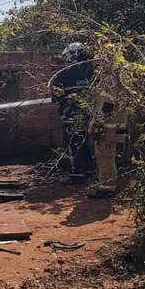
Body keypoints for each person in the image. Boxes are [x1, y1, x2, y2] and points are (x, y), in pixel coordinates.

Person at [51, 42, 95, 185]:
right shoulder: (91, 69)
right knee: (85, 142)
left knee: (73, 143)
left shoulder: (66, 72)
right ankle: (89, 171)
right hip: (89, 113)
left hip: (71, 114)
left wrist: (58, 97)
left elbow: (55, 92)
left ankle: (76, 174)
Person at [88, 89, 128, 199]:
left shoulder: (109, 83)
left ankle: (106, 188)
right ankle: (105, 182)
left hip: (107, 131)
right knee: (106, 158)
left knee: (104, 158)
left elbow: (106, 106)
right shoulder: (116, 81)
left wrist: (96, 125)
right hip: (111, 130)